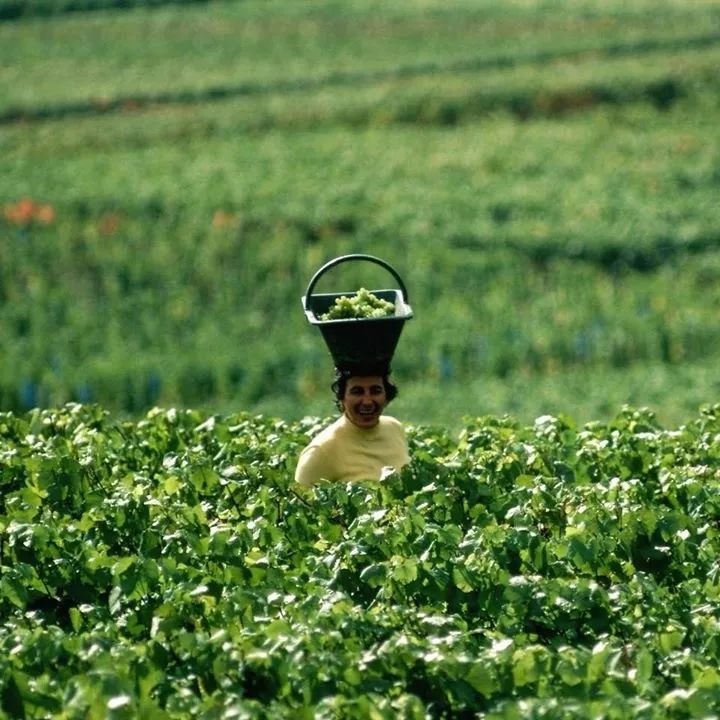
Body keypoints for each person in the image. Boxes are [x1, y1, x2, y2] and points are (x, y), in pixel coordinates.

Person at [294, 364, 410, 486]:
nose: (367, 401)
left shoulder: (394, 428)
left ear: (386, 396)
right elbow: (301, 502)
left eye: (375, 391)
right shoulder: (320, 451)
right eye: (357, 392)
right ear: (342, 398)